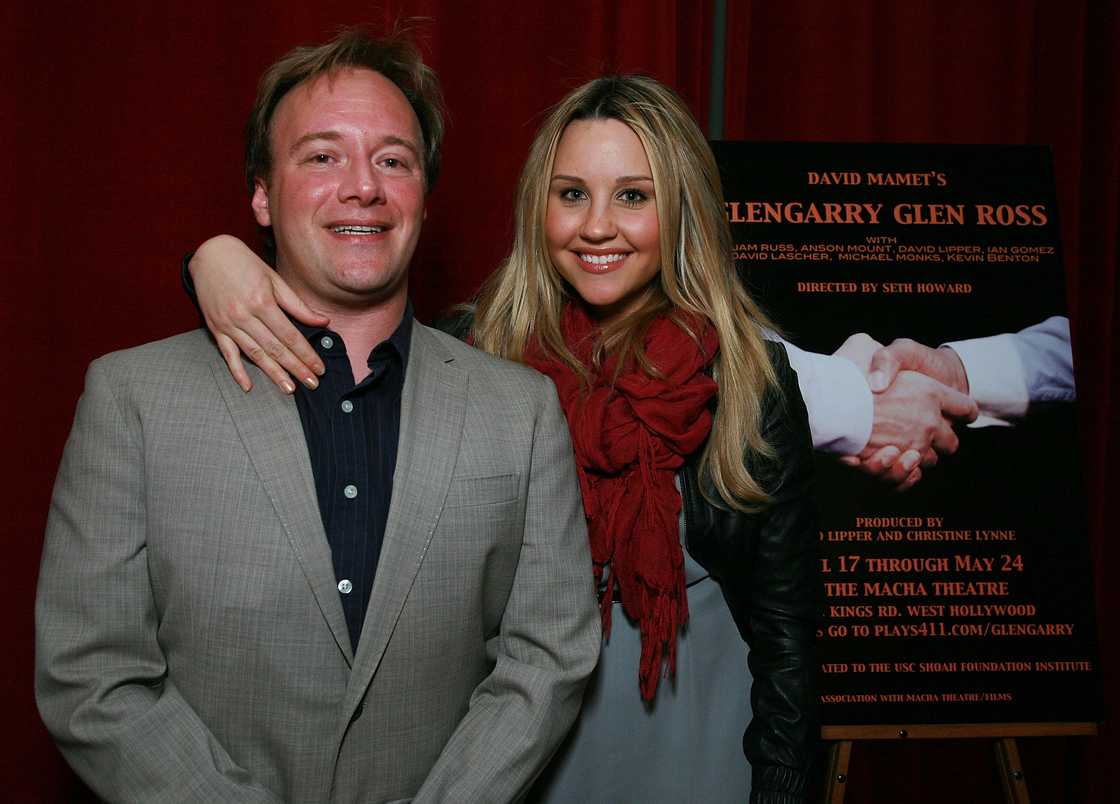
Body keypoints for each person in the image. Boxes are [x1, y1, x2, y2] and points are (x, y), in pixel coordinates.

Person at [186, 74, 819, 802]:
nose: (598, 226)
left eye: (634, 196)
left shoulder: (749, 380)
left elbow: (787, 641)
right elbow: (331, 337)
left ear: (682, 211)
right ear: (538, 207)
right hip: (503, 764)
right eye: (572, 193)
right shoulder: (473, 355)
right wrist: (209, 259)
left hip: (694, 756)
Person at [35, 30, 600, 804]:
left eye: (393, 159)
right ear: (262, 194)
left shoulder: (519, 410)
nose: (362, 187)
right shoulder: (133, 399)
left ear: (424, 197)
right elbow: (90, 674)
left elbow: (547, 656)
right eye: (323, 156)